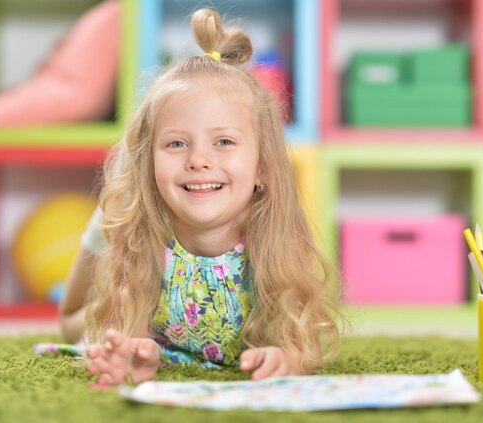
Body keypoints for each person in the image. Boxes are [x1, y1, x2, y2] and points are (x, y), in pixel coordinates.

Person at [59, 8, 344, 385]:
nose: (198, 160)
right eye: (176, 143)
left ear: (261, 166)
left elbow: (304, 336)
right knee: (111, 228)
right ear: (149, 161)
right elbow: (102, 328)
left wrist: (287, 357)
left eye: (224, 142)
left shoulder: (273, 237)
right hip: (95, 294)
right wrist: (127, 349)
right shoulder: (134, 228)